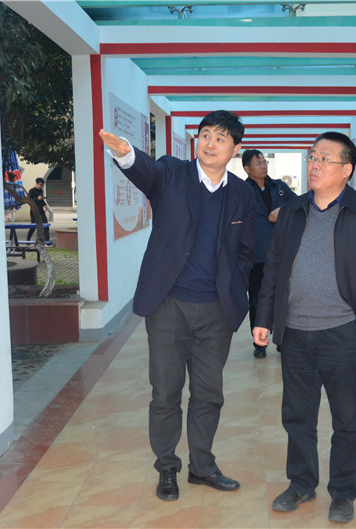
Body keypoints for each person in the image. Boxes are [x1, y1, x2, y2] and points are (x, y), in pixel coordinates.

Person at [99, 110, 255, 502]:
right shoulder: (171, 174)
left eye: (221, 138)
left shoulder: (242, 193)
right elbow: (145, 171)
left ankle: (202, 466)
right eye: (206, 135)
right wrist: (125, 153)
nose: (210, 143)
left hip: (216, 311)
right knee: (165, 392)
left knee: (209, 393)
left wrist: (234, 288)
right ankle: (167, 468)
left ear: (235, 148)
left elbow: (248, 252)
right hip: (169, 305)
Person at [252, 132, 356, 523]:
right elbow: (273, 270)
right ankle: (301, 483)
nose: (314, 164)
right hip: (295, 334)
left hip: (343, 334)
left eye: (324, 159)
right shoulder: (292, 212)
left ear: (346, 170)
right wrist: (264, 319)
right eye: (312, 156)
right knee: (297, 416)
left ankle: (343, 492)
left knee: (345, 420)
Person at [242, 149, 296, 358]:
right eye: (258, 163)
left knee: (284, 298)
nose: (263, 166)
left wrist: (282, 210)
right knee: (256, 300)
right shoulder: (242, 191)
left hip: (282, 253)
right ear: (247, 169)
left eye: (264, 162)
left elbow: (298, 203)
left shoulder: (279, 187)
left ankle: (282, 341)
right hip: (255, 256)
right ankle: (259, 343)